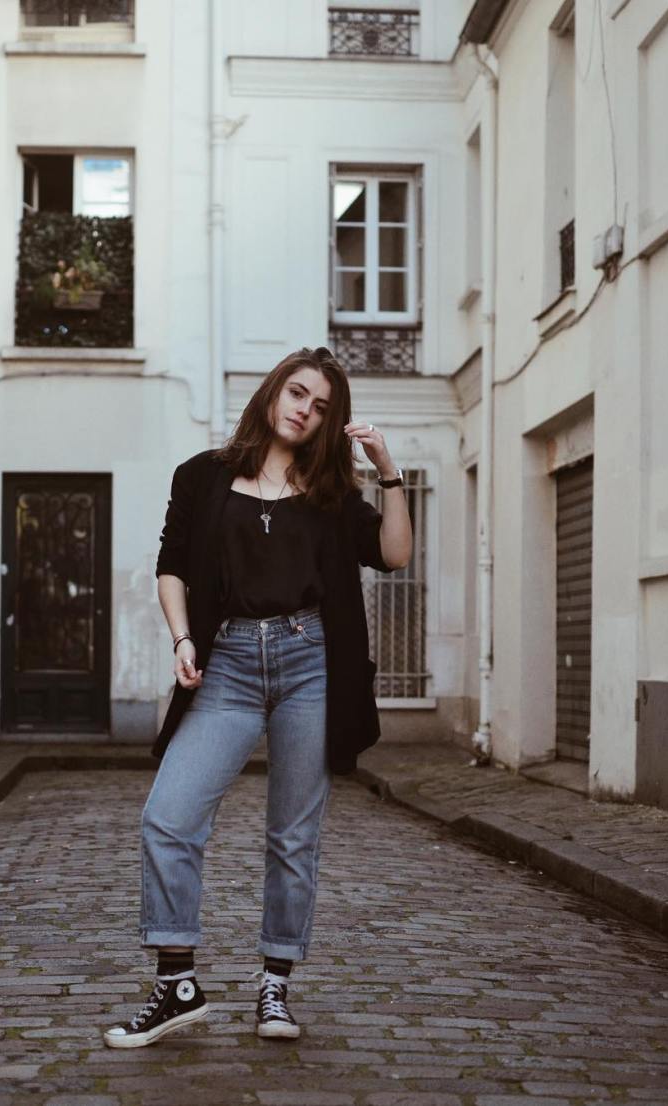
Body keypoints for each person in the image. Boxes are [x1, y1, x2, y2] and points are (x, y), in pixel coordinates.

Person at [102, 347, 413, 1048]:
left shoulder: (333, 496)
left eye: (321, 406)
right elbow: (172, 567)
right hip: (229, 664)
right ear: (274, 393)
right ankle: (176, 980)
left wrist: (388, 471)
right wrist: (183, 640)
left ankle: (275, 984)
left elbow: (393, 555)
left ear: (330, 423)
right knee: (169, 818)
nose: (304, 409)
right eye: (297, 393)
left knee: (292, 835)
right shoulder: (204, 477)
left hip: (311, 665)